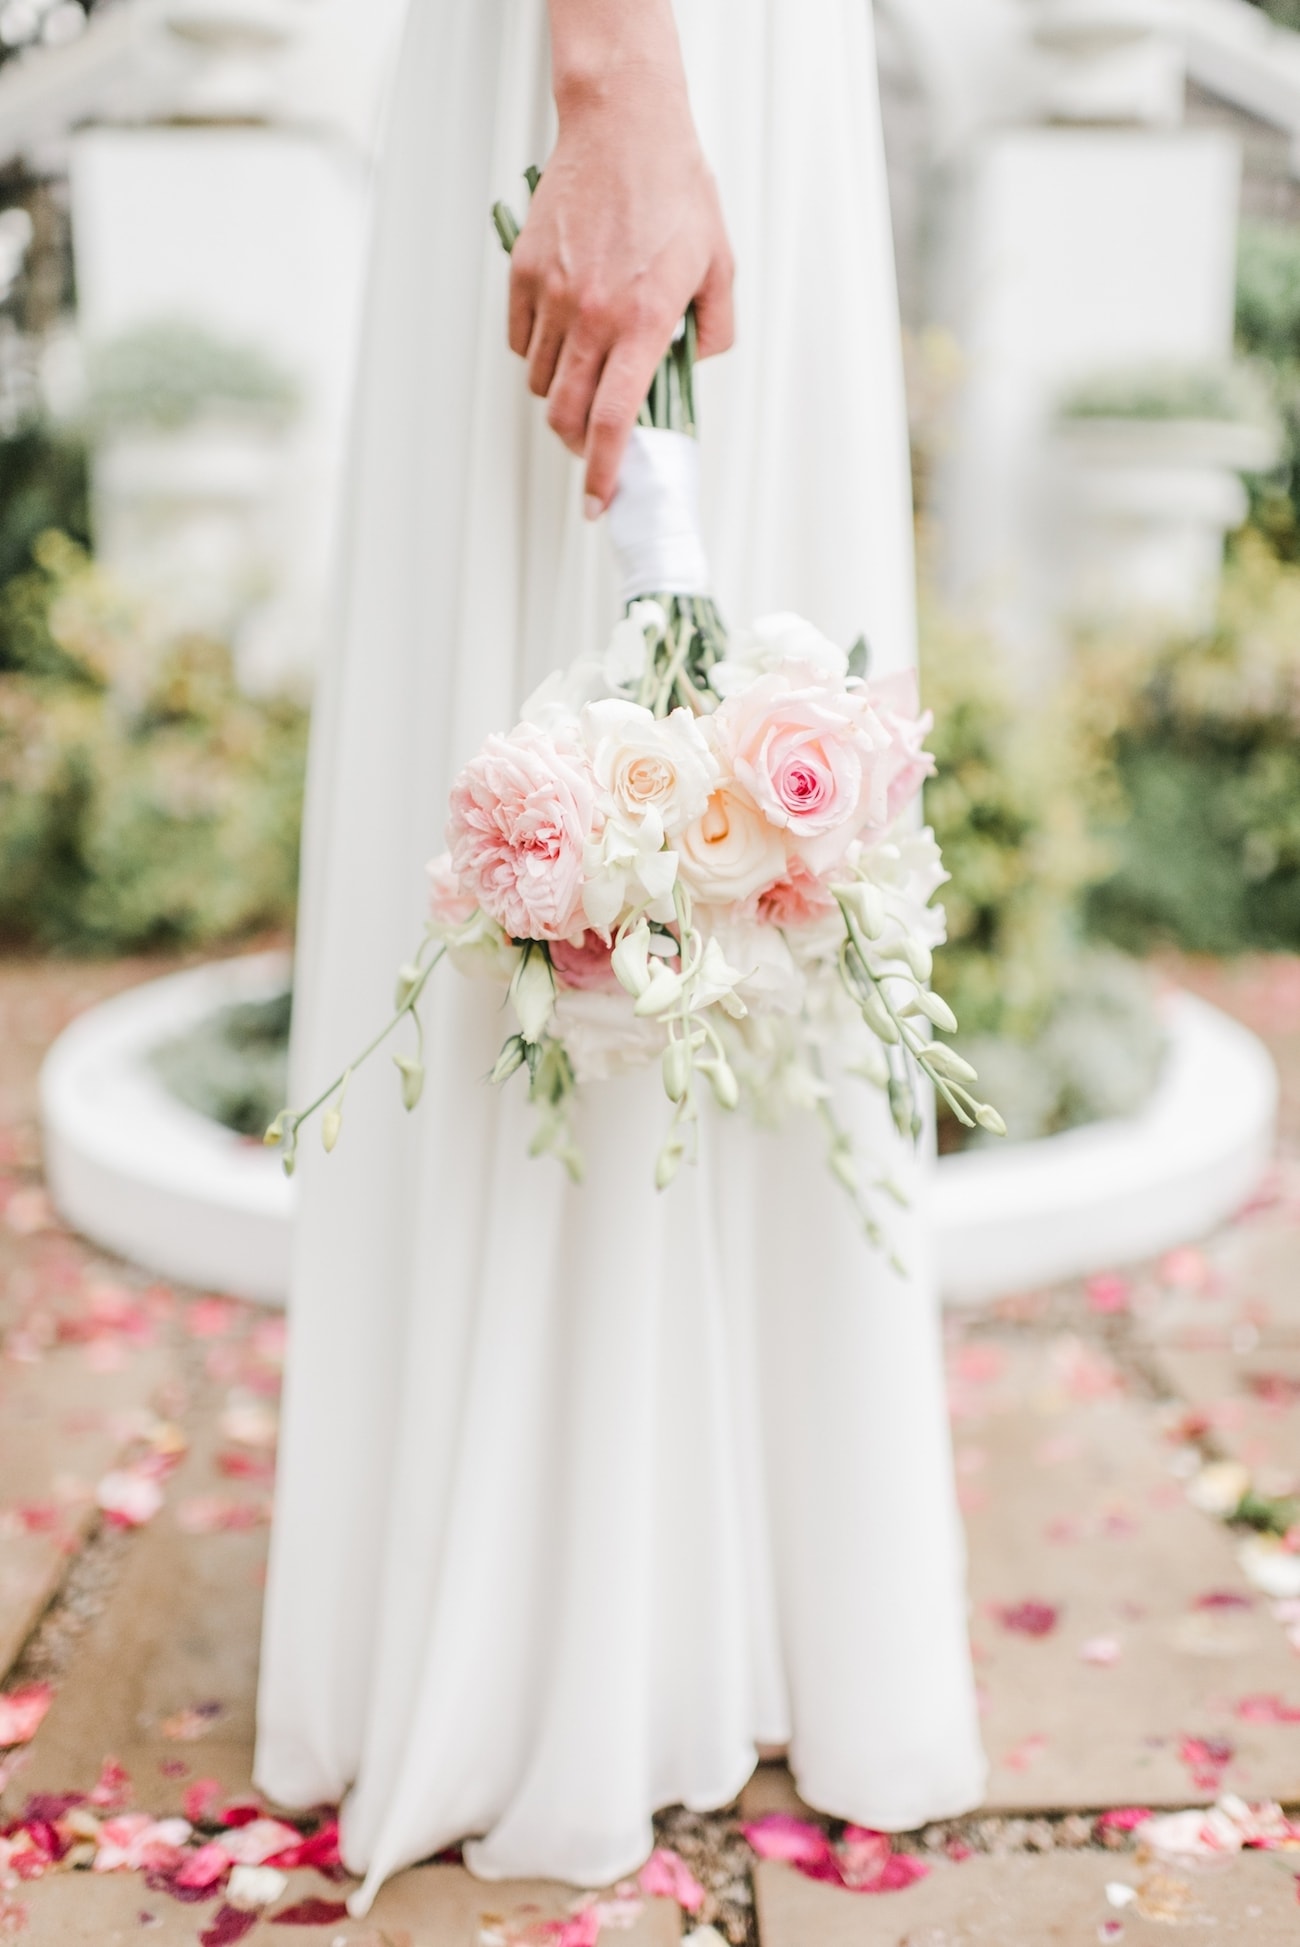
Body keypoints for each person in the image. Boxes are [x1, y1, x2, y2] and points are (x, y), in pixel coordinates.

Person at [254, 0, 986, 1916]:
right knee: (597, 705)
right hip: (638, 49)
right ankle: (563, 1633)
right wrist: (615, 87)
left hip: (769, 60)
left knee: (765, 755)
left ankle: (707, 1608)